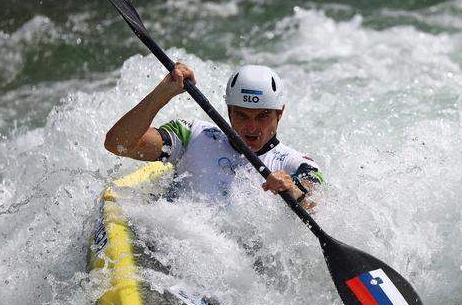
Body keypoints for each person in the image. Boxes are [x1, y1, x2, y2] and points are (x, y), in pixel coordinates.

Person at [104, 63, 324, 208]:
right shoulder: (191, 135)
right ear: (228, 110)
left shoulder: (296, 164)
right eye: (241, 115)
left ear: (280, 113)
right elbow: (118, 144)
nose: (251, 126)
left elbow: (318, 206)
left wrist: (293, 191)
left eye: (263, 116)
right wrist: (162, 94)